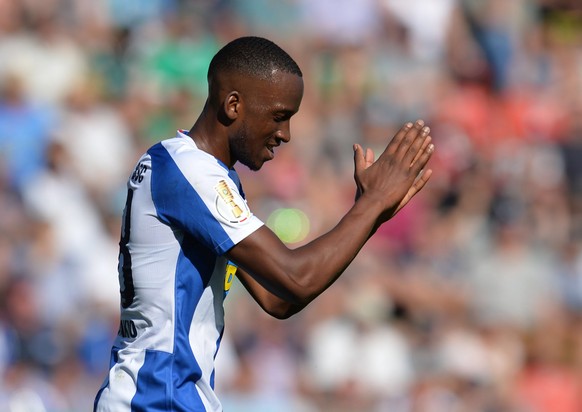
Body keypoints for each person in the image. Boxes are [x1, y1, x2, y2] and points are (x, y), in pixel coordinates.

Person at [94, 36, 435, 411]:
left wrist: (371, 214)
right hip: (156, 399)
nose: (285, 133)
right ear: (233, 104)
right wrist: (370, 206)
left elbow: (278, 298)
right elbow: (296, 278)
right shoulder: (189, 173)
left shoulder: (194, 173)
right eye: (278, 115)